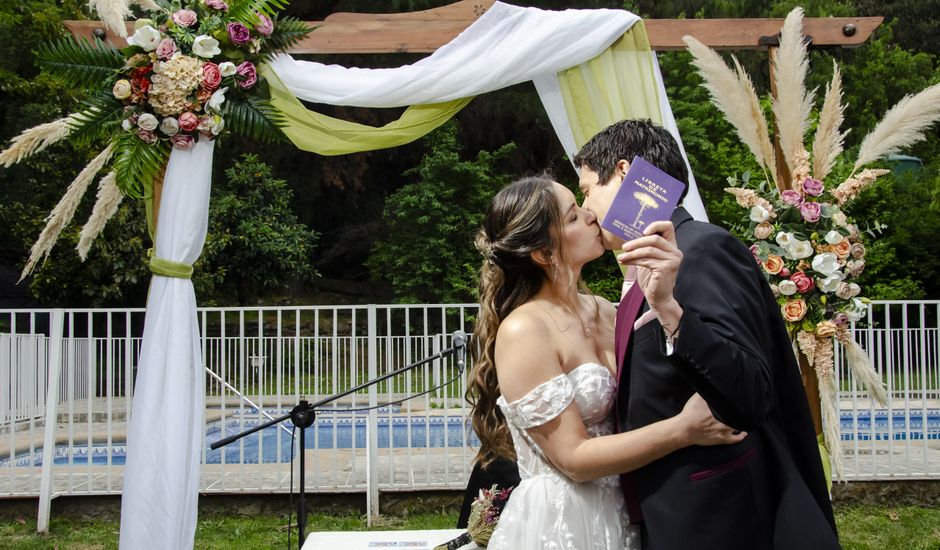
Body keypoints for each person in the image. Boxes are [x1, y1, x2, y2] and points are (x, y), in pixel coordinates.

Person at [575, 118, 840, 550]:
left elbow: (751, 393)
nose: (587, 210)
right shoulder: (648, 265)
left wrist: (672, 315)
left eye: (587, 190)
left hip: (720, 515)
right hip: (673, 511)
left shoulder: (702, 249)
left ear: (624, 173)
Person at [465, 176, 745, 550]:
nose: (592, 216)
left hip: (624, 508)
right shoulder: (525, 329)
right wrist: (683, 429)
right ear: (544, 253)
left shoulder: (601, 308)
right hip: (565, 521)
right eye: (574, 217)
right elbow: (574, 459)